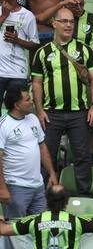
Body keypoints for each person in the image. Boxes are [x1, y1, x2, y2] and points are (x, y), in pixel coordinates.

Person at [31, 8, 93, 193]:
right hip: (51, 113)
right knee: (47, 157)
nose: (69, 25)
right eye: (64, 21)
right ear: (54, 23)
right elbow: (36, 83)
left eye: (71, 22)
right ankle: (44, 197)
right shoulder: (42, 52)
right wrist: (39, 110)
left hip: (79, 113)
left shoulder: (84, 50)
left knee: (82, 156)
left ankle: (84, 197)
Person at [0, 84, 55, 217]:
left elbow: (42, 147)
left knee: (39, 226)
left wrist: (52, 173)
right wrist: (2, 188)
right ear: (17, 105)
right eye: (27, 99)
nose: (32, 102)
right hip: (15, 186)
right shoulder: (3, 125)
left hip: (38, 186)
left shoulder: (33, 119)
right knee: (15, 227)